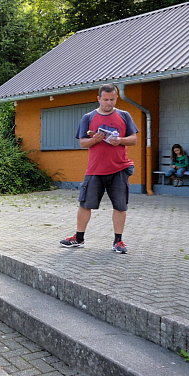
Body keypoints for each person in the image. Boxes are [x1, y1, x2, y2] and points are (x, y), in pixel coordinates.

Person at [59, 83, 139, 254]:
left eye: (112, 99)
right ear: (98, 99)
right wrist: (96, 139)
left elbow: (133, 139)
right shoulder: (88, 117)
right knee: (85, 204)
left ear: (116, 97)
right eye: (106, 99)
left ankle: (118, 241)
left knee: (120, 206)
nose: (109, 103)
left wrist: (121, 141)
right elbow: (82, 142)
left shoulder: (124, 116)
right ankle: (78, 238)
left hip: (119, 169)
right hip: (95, 170)